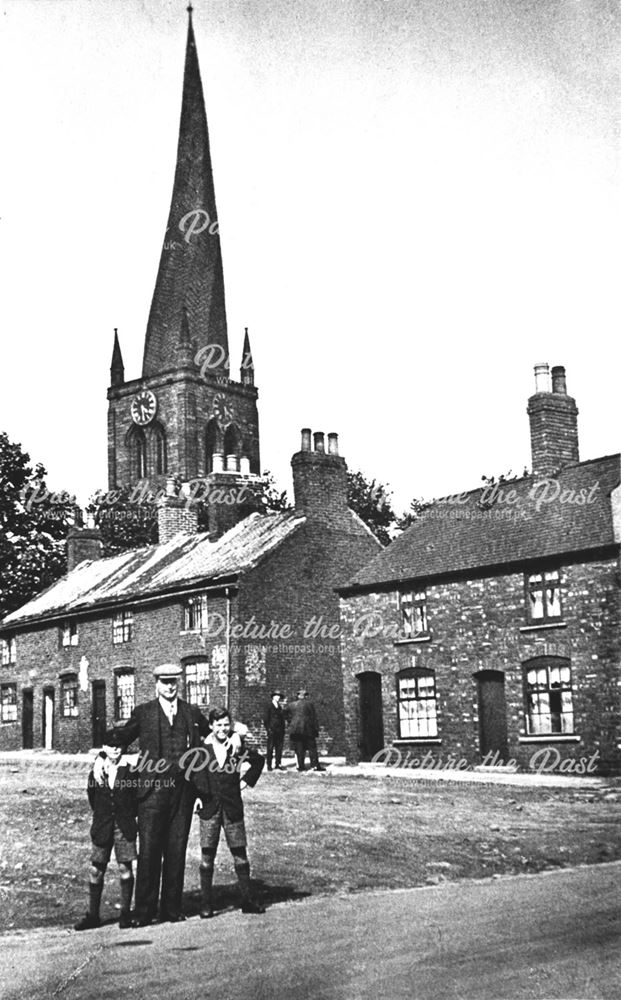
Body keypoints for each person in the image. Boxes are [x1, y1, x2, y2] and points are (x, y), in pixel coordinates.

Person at [109, 663, 245, 926]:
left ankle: (171, 909)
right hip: (152, 794)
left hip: (182, 793)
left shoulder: (190, 713)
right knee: (149, 852)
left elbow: (216, 730)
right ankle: (144, 912)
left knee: (176, 850)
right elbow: (121, 737)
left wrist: (238, 734)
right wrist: (105, 757)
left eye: (174, 682)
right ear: (156, 684)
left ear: (178, 684)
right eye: (165, 681)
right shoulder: (144, 712)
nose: (170, 686)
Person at [190, 708, 265, 917]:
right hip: (209, 807)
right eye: (218, 725)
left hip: (232, 808)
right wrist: (196, 796)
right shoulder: (202, 750)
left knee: (240, 855)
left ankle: (247, 899)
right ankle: (206, 904)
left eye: (226, 725)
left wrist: (245, 782)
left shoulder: (236, 747)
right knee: (207, 857)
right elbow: (193, 775)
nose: (222, 729)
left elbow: (258, 761)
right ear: (211, 726)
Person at [74, 730, 137, 931]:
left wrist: (126, 814)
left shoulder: (130, 770)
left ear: (124, 748)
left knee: (125, 868)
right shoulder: (97, 771)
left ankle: (125, 914)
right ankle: (93, 915)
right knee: (96, 869)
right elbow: (92, 796)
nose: (115, 749)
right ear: (104, 748)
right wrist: (103, 814)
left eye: (119, 746)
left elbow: (135, 798)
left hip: (123, 825)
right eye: (110, 746)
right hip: (103, 825)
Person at [288, 689, 325, 772]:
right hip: (308, 729)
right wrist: (316, 729)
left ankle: (301, 766)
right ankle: (315, 765)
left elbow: (286, 715)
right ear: (305, 696)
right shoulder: (309, 704)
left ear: (298, 696)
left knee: (299, 748)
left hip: (296, 730)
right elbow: (313, 717)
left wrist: (292, 723)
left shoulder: (291, 705)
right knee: (312, 747)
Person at [262, 690, 287, 770]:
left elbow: (282, 719)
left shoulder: (279, 706)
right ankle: (269, 765)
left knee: (279, 747)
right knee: (270, 747)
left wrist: (283, 729)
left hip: (279, 731)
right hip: (272, 730)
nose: (278, 697)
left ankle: (278, 764)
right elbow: (266, 719)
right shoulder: (269, 706)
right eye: (276, 695)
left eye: (279, 696)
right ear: (273, 697)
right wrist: (268, 729)